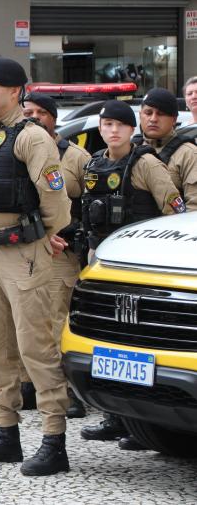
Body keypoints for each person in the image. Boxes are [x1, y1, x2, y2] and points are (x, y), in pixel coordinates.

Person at [0, 58, 71, 476]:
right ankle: (5, 432)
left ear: (14, 91)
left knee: (35, 348)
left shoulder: (32, 137)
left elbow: (56, 201)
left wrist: (44, 235)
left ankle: (53, 439)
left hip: (25, 252)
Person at [78, 99, 185, 450]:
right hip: (105, 263)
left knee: (142, 347)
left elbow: (173, 209)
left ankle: (143, 423)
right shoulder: (95, 163)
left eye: (119, 125)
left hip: (143, 263)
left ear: (130, 129)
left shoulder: (146, 163)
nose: (112, 131)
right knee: (109, 344)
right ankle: (115, 417)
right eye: (106, 124)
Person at [23, 92, 90, 419]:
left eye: (40, 112)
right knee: (25, 323)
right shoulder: (18, 147)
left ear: (53, 117)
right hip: (26, 249)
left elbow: (91, 205)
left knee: (56, 323)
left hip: (61, 252)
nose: (34, 117)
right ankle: (29, 385)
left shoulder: (76, 156)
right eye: (28, 111)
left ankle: (66, 392)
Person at [140, 88, 197, 209]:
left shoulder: (189, 154)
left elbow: (194, 210)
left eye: (161, 114)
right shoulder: (130, 148)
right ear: (140, 115)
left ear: (174, 120)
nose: (153, 119)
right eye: (148, 113)